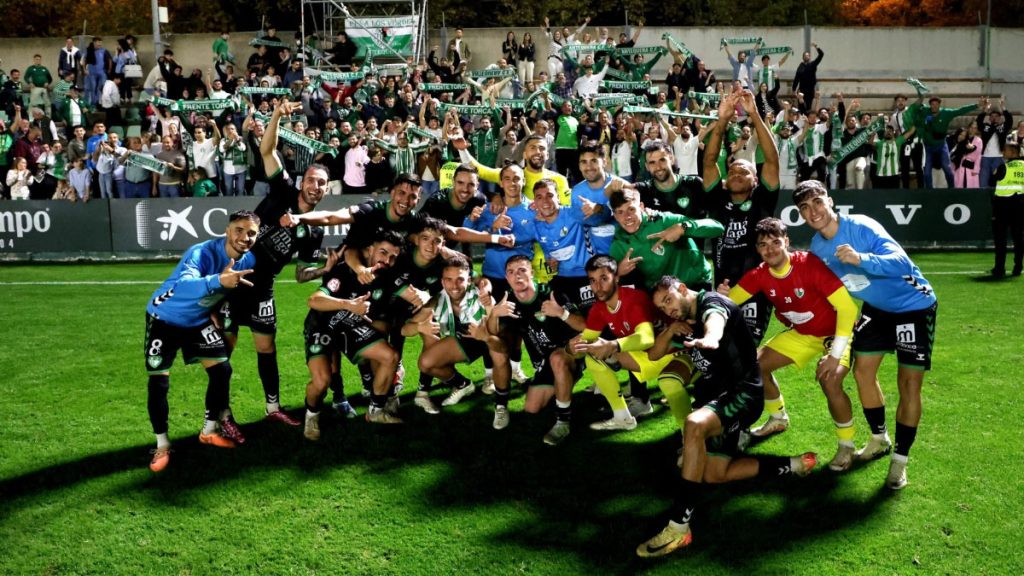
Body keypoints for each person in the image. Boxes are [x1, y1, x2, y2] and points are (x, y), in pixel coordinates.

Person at [636, 275, 816, 557]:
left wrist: (710, 338)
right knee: (714, 475)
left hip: (743, 395)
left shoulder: (712, 303)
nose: (668, 308)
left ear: (683, 289)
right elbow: (655, 354)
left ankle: (678, 527)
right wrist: (670, 330)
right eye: (662, 306)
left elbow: (716, 321)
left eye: (669, 299)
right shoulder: (682, 320)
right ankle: (792, 465)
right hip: (716, 399)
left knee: (694, 425)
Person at [795, 180, 937, 490]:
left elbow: (902, 262)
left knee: (908, 384)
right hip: (876, 308)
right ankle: (879, 439)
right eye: (805, 207)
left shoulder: (860, 226)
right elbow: (826, 295)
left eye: (817, 202)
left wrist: (862, 259)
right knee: (862, 373)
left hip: (914, 304)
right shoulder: (818, 249)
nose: (813, 211)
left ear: (830, 201)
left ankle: (899, 461)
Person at [220, 99, 331, 427]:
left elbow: (301, 274)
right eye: (311, 180)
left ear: (326, 190)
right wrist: (278, 118)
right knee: (223, 353)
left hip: (263, 289)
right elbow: (268, 151)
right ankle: (221, 412)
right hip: (235, 279)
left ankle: (273, 408)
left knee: (267, 351)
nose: (315, 186)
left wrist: (326, 268)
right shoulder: (282, 190)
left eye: (321, 183)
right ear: (303, 182)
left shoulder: (314, 231)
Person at [724, 217, 860, 470]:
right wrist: (720, 298)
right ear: (758, 249)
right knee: (754, 366)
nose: (771, 249)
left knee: (830, 380)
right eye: (763, 244)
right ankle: (777, 417)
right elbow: (729, 302)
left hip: (835, 332)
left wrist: (835, 354)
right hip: (802, 333)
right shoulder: (759, 275)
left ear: (786, 241)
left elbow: (848, 309)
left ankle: (847, 446)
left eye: (776, 242)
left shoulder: (808, 265)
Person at [143, 210, 260, 473]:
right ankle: (161, 444)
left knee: (222, 370)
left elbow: (226, 291)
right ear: (228, 231)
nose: (245, 237)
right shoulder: (202, 252)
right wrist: (218, 280)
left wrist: (214, 309)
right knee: (159, 382)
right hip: (165, 317)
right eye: (239, 230)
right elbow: (185, 285)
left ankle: (209, 430)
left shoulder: (247, 259)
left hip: (197, 321)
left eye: (251, 233)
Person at [302, 230, 407, 437]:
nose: (387, 260)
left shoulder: (385, 278)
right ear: (369, 250)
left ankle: (376, 411)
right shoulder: (343, 271)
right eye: (383, 253)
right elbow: (314, 300)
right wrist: (348, 305)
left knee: (390, 356)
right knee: (321, 382)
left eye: (393, 257)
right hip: (321, 326)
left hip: (349, 324)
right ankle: (311, 415)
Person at [572, 255, 693, 433]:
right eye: (593, 280)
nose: (598, 287)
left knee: (670, 382)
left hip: (676, 351)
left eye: (604, 279)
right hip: (649, 356)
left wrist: (613, 345)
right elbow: (586, 341)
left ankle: (689, 436)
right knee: (593, 357)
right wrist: (571, 344)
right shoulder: (598, 308)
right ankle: (622, 417)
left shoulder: (635, 299)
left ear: (617, 278)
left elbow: (646, 337)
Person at [703, 89, 780, 346]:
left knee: (746, 348)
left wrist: (755, 115)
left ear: (755, 180)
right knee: (722, 347)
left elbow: (771, 160)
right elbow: (709, 160)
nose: (736, 173)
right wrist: (722, 120)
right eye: (733, 170)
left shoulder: (762, 200)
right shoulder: (717, 200)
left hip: (757, 289)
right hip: (722, 287)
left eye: (744, 171)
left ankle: (753, 386)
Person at [489, 255, 585, 443]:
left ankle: (562, 422)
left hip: (571, 351)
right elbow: (493, 337)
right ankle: (563, 383)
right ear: (506, 278)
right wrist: (494, 314)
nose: (517, 276)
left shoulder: (552, 294)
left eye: (522, 270)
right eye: (511, 272)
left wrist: (561, 313)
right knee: (532, 408)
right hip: (544, 360)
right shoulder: (509, 303)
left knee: (557, 359)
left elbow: (584, 326)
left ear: (532, 273)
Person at [608, 187, 723, 290]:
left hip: (694, 283)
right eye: (620, 212)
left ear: (641, 207)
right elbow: (610, 282)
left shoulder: (663, 220)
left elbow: (718, 228)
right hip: (663, 294)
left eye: (631, 209)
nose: (627, 217)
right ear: (614, 215)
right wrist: (618, 272)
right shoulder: (619, 242)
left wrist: (683, 227)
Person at [912, 96, 977, 189]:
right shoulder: (925, 111)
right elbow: (914, 109)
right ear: (929, 105)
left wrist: (977, 105)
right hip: (928, 147)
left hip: (941, 145)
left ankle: (951, 190)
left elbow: (960, 110)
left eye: (936, 104)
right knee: (926, 172)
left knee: (947, 169)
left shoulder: (946, 113)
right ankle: (929, 193)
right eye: (932, 105)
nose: (934, 106)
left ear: (939, 105)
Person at [989, 143, 1024, 277]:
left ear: (1013, 152)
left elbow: (992, 181)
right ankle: (1018, 267)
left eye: (1006, 150)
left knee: (1000, 239)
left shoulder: (1004, 167)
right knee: (1018, 238)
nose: (1004, 152)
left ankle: (999, 268)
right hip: (1020, 205)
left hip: (1003, 207)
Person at [791, 43, 823, 113]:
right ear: (803, 57)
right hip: (802, 90)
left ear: (809, 57)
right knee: (801, 107)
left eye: (808, 55)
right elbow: (796, 78)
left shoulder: (813, 64)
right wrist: (794, 89)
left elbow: (821, 55)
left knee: (808, 107)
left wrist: (816, 46)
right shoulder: (800, 66)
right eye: (805, 56)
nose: (806, 56)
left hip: (810, 90)